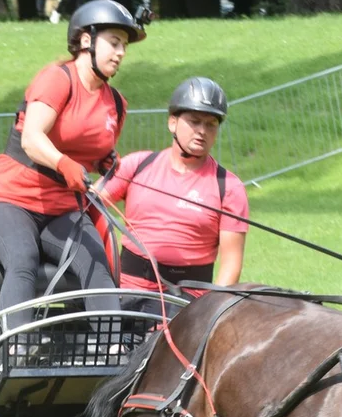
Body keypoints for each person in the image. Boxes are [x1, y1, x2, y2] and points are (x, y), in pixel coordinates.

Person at [0, 0, 145, 336]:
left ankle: (110, 351)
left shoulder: (115, 102)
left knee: (97, 262)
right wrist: (63, 162)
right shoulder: (57, 79)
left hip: (62, 207)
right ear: (87, 40)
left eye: (124, 46)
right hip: (11, 199)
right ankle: (17, 348)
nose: (121, 52)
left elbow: (95, 148)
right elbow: (32, 138)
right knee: (22, 259)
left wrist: (105, 161)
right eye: (114, 42)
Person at [102, 77, 249, 318]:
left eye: (211, 124)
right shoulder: (137, 165)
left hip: (187, 305)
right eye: (194, 122)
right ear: (173, 122)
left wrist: (210, 314)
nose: (202, 131)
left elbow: (231, 265)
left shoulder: (229, 187)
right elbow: (89, 205)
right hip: (126, 294)